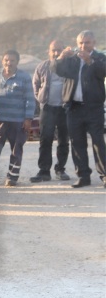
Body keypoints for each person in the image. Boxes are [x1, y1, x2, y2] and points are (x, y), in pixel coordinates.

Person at [51, 30, 106, 189]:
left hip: (93, 108)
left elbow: (103, 72)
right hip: (73, 108)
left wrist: (90, 61)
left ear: (93, 43)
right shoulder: (72, 59)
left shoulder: (100, 57)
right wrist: (61, 57)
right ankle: (83, 176)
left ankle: (104, 175)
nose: (83, 46)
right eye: (81, 43)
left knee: (98, 142)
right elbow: (56, 69)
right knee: (77, 143)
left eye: (87, 43)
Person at [0, 49, 35, 187]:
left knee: (16, 149)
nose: (9, 63)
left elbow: (30, 99)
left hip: (18, 121)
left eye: (12, 60)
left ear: (17, 62)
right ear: (2, 61)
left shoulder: (24, 77)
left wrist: (28, 118)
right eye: (6, 60)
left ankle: (12, 178)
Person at [30, 40, 71, 183]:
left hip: (65, 108)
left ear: (64, 50)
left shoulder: (69, 66)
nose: (56, 53)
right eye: (53, 50)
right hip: (47, 108)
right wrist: (41, 99)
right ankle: (44, 171)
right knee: (45, 139)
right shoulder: (42, 67)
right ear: (48, 51)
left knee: (63, 141)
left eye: (59, 50)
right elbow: (35, 86)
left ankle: (60, 169)